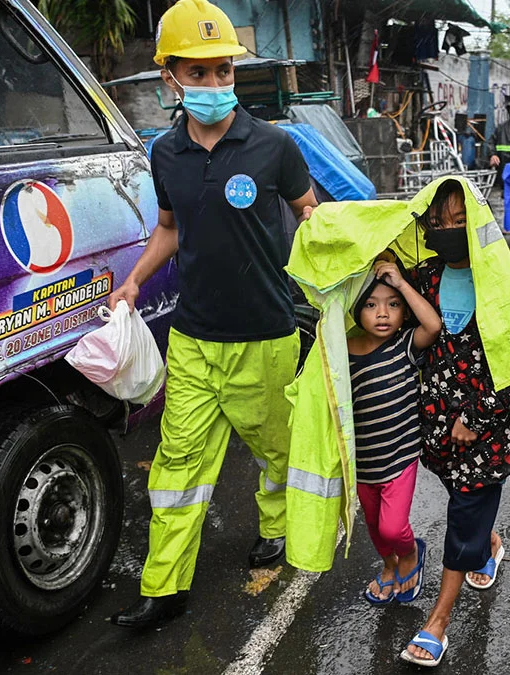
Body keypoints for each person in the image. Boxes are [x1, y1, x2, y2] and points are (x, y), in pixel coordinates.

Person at [109, 0, 318, 628]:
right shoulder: (164, 153)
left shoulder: (275, 145)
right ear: (169, 78)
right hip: (195, 337)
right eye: (196, 74)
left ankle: (276, 529)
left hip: (267, 332)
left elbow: (311, 215)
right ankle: (163, 588)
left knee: (274, 450)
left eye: (223, 71)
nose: (213, 85)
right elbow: (170, 228)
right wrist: (134, 282)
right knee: (177, 464)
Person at [399, 180, 510, 668]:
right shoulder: (423, 277)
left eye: (459, 223)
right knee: (460, 496)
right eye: (438, 224)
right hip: (437, 423)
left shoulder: (501, 284)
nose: (448, 232)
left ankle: (437, 621)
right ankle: (490, 541)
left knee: (463, 514)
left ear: (478, 225)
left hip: (487, 425)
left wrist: (476, 415)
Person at [349, 261, 442, 605]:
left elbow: (432, 325)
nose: (383, 313)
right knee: (375, 528)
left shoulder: (405, 344)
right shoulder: (342, 350)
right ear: (357, 310)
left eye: (393, 304)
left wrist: (401, 283)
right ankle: (389, 564)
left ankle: (411, 555)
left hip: (401, 458)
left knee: (392, 527)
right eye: (371, 305)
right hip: (363, 464)